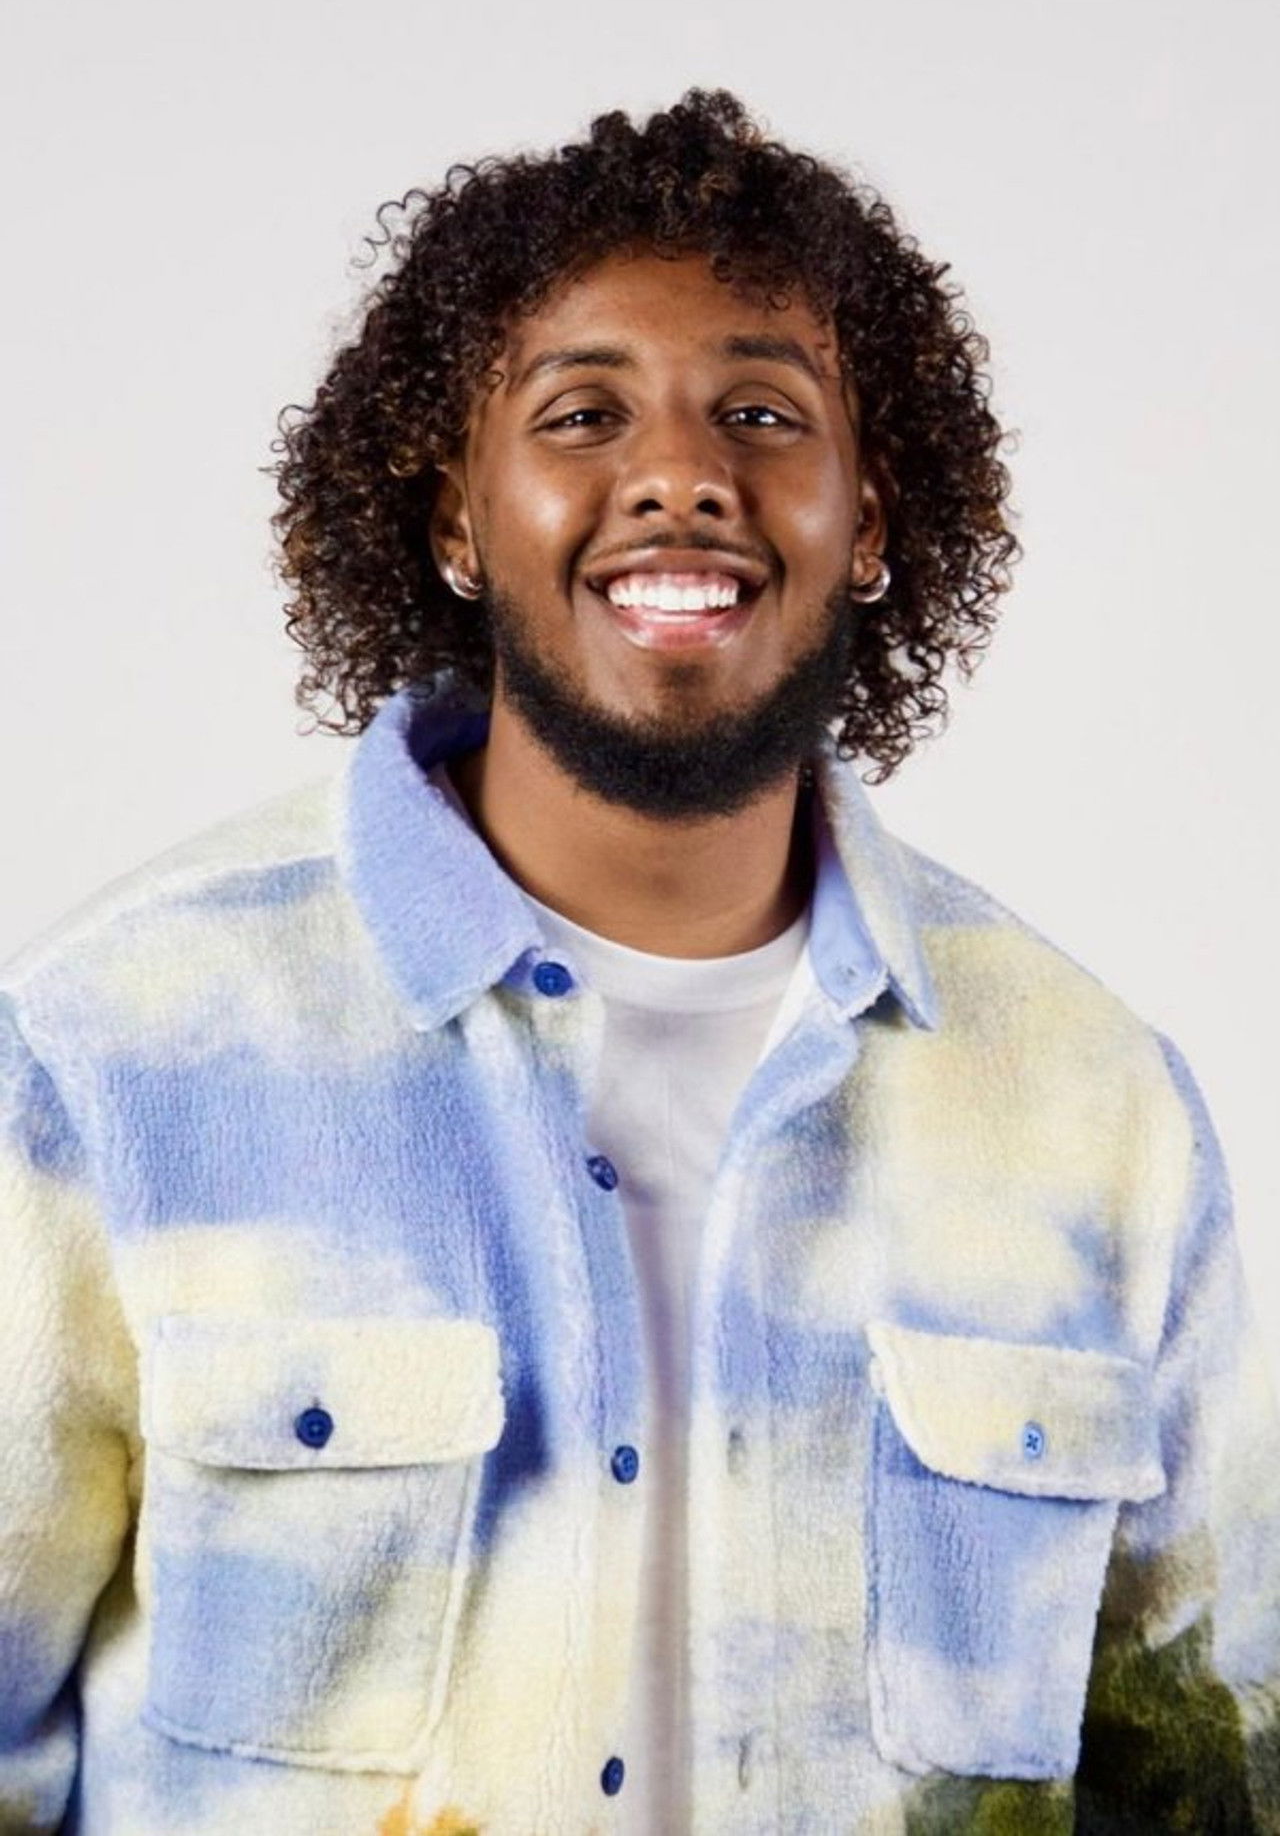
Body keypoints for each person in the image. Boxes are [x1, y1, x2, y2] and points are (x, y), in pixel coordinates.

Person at [1, 89, 1277, 1836]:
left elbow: (1212, 1784)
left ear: (871, 520)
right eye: (583, 413)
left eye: (761, 413)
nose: (680, 474)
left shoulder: (1099, 1117)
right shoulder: (107, 1057)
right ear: (458, 520)